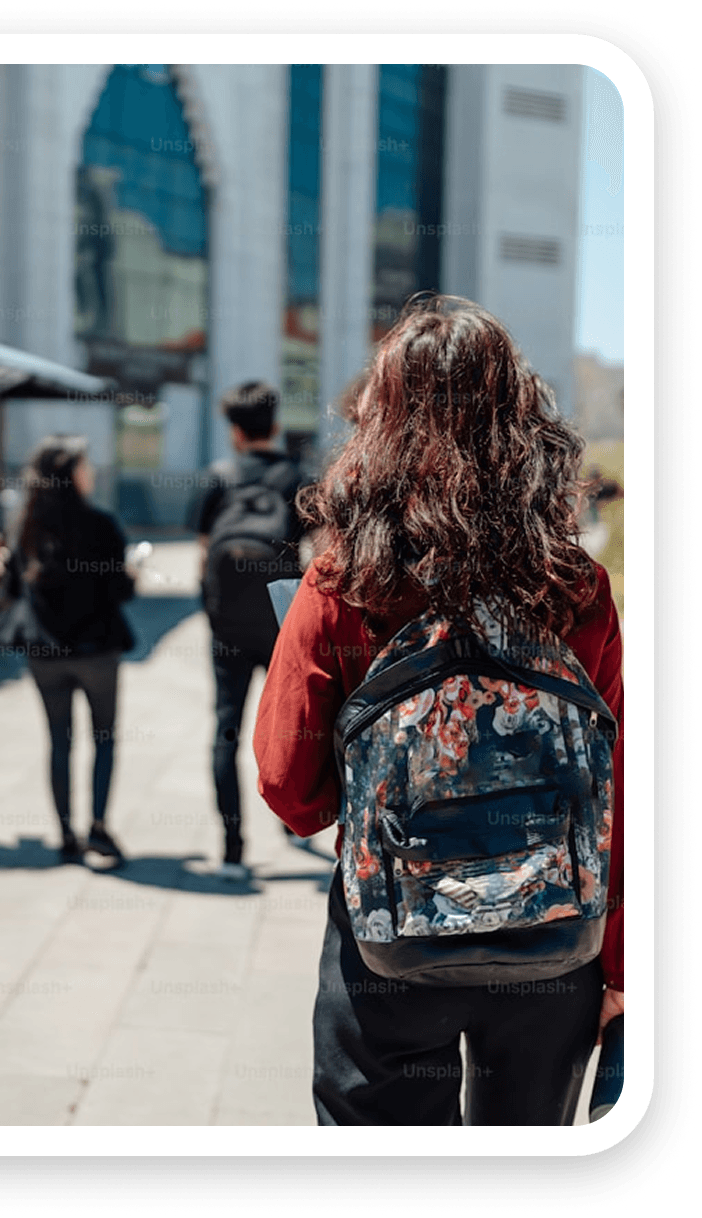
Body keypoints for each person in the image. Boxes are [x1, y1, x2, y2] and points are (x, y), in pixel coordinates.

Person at [253, 293, 624, 1125]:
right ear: (522, 420)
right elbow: (623, 788)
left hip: (389, 938)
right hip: (556, 938)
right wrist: (623, 965)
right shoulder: (576, 587)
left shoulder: (342, 583)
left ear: (378, 422)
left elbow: (289, 786)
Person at [187, 381, 309, 878]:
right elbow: (317, 556)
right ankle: (291, 818)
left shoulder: (217, 478)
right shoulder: (297, 478)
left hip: (228, 627)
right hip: (280, 624)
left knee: (226, 731)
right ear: (275, 426)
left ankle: (233, 849)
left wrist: (213, 611)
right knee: (291, 729)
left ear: (235, 432)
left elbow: (201, 555)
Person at [7, 435, 135, 864]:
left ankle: (64, 832)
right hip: (96, 650)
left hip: (44, 652)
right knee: (104, 739)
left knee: (58, 742)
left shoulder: (26, 526)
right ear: (69, 475)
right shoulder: (101, 524)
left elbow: (10, 588)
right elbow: (118, 590)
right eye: (85, 465)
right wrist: (131, 572)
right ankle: (98, 828)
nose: (92, 472)